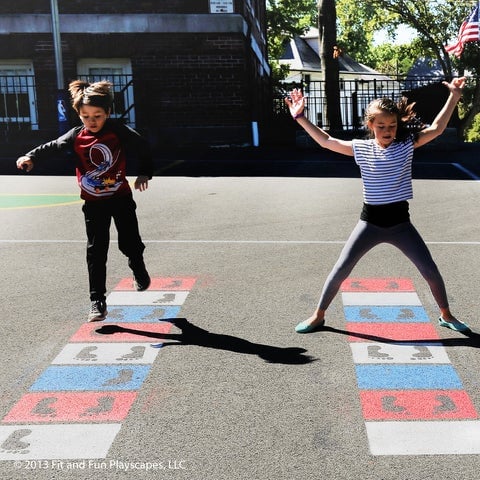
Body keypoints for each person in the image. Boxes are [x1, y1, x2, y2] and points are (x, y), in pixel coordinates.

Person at [285, 77, 470, 334]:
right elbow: (326, 141)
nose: (387, 130)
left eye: (392, 125)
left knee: (429, 269)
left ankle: (447, 315)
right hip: (369, 223)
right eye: (381, 125)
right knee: (341, 268)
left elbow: (438, 128)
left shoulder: (407, 144)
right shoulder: (361, 148)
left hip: (401, 225)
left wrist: (455, 96)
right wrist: (301, 117)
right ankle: (318, 315)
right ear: (371, 125)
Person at [16, 80, 153, 322]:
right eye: (86, 116)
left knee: (129, 242)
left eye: (97, 115)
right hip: (94, 203)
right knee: (96, 250)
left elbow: (142, 145)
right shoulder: (77, 136)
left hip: (120, 198)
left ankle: (138, 267)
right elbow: (53, 146)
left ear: (108, 113)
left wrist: (145, 172)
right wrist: (31, 156)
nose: (92, 121)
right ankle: (97, 300)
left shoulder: (117, 130)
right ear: (79, 115)